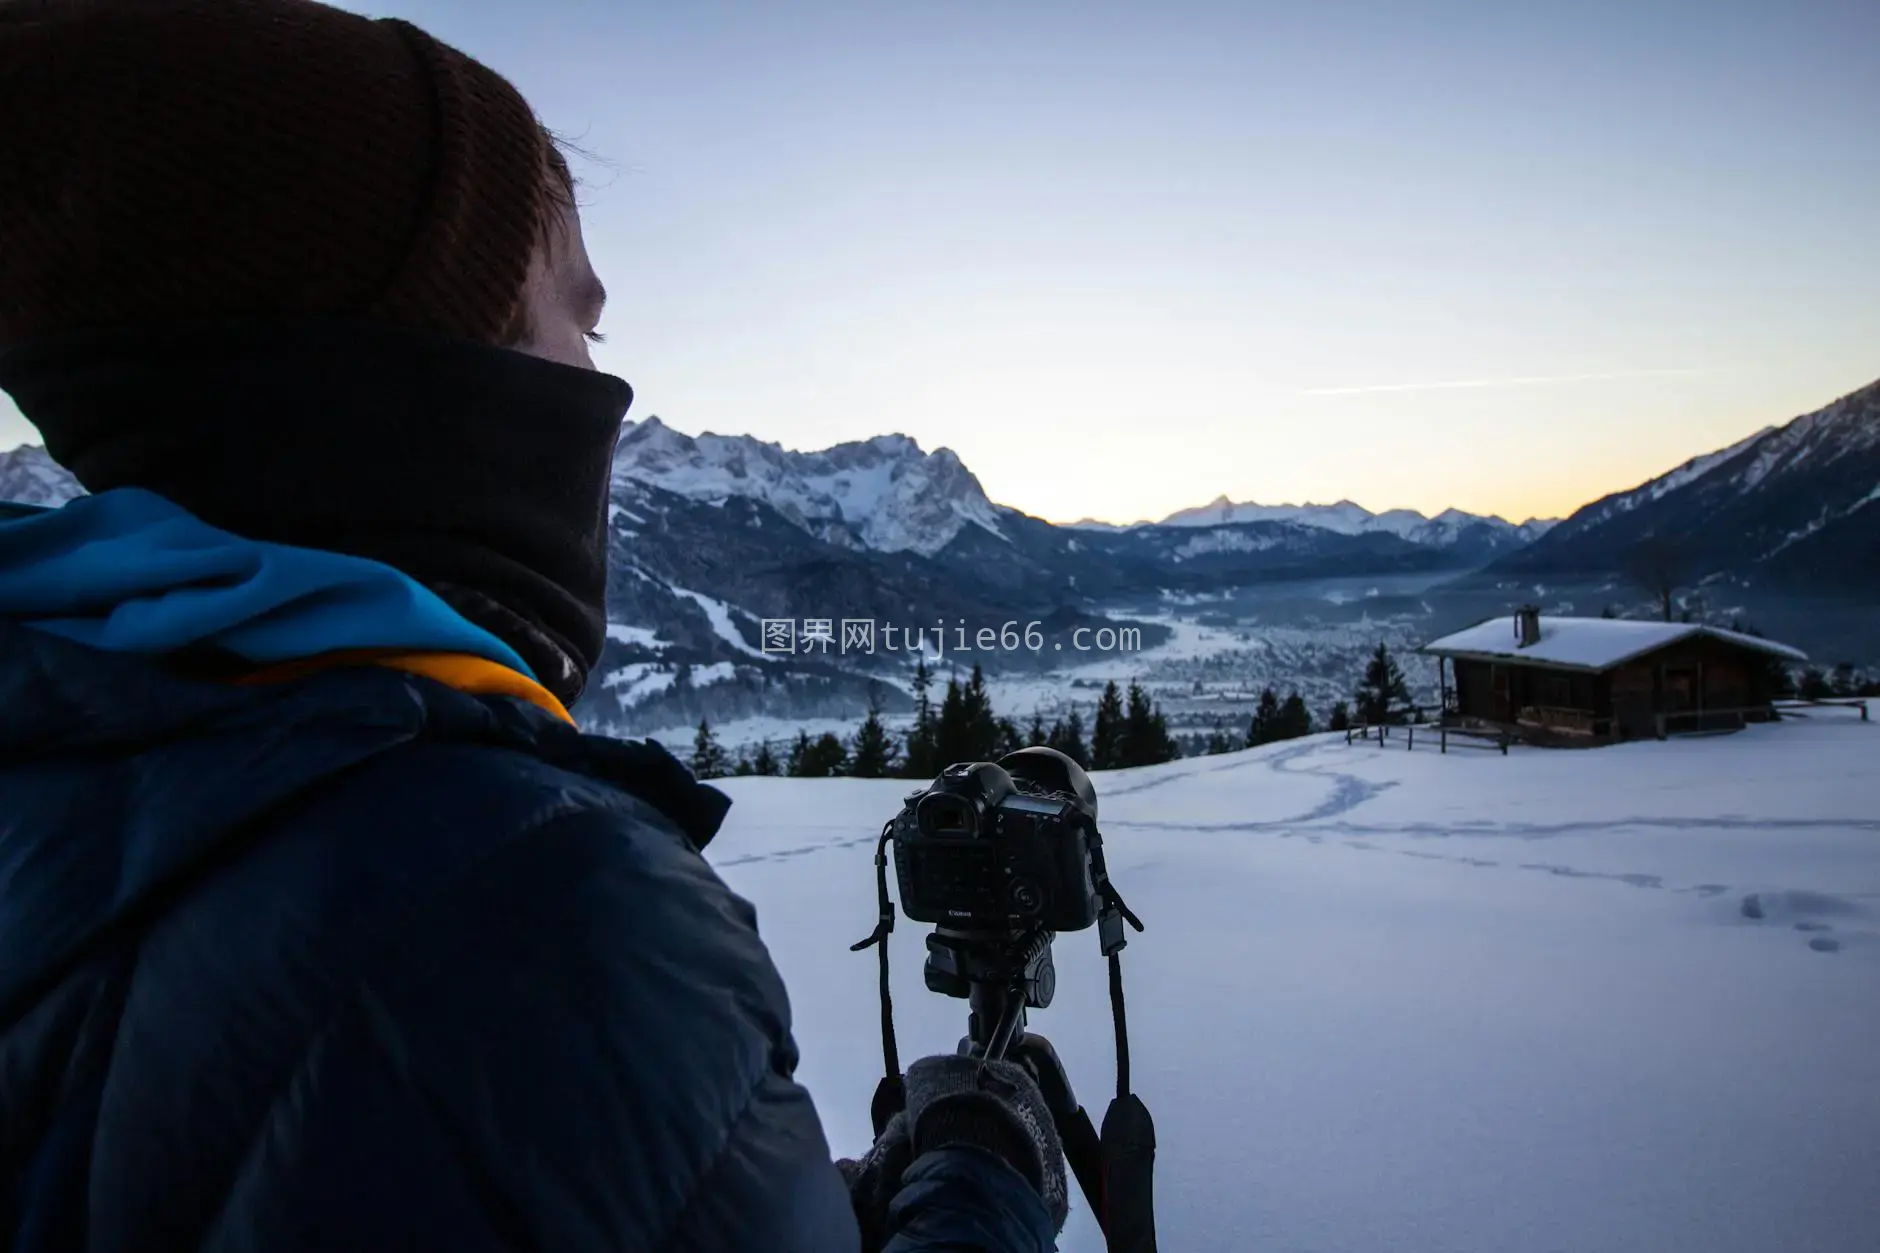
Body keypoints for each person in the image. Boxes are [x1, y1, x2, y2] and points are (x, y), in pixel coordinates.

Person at [0, 1, 1067, 1249]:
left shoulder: (58, 746)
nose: (609, 389)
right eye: (582, 320)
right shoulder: (543, 909)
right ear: (420, 380)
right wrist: (978, 1176)